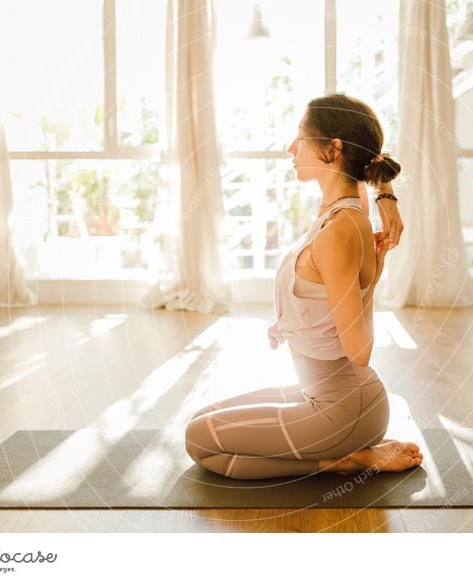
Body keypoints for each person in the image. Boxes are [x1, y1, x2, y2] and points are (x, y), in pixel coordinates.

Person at [184, 94, 423, 480]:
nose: (290, 148)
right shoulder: (342, 207)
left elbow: (360, 353)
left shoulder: (340, 228)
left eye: (300, 137)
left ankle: (345, 460)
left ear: (333, 148)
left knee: (199, 440)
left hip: (342, 413)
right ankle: (350, 452)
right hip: (328, 398)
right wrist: (387, 195)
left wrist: (373, 283)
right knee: (202, 419)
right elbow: (369, 167)